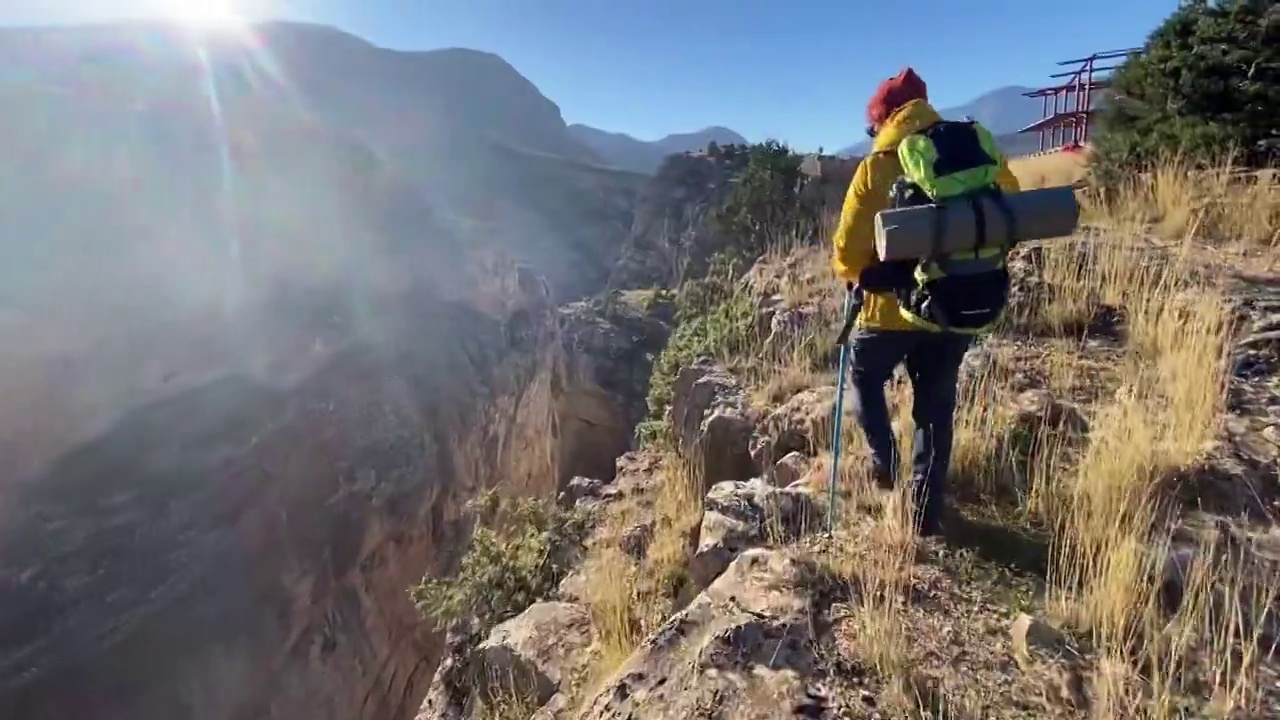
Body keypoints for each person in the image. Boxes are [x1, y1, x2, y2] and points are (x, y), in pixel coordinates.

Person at [830, 67, 1021, 536]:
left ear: (884, 120)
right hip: (953, 305)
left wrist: (863, 275)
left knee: (864, 373)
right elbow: (1006, 213)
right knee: (934, 412)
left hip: (889, 314)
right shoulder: (972, 153)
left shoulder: (876, 167)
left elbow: (846, 254)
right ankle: (924, 518)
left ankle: (884, 460)